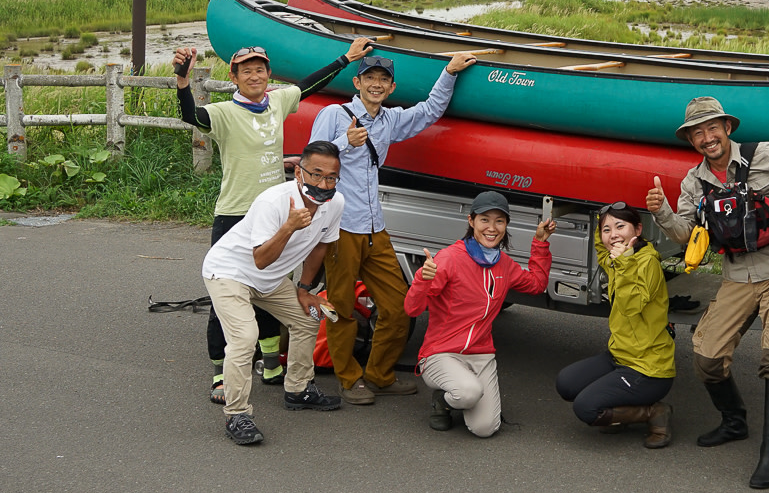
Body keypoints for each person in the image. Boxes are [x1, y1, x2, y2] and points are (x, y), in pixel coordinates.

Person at [174, 38, 371, 405]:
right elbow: (192, 117)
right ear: (233, 76)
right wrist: (183, 83)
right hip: (236, 211)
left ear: (268, 75)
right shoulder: (223, 112)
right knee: (228, 298)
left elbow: (309, 85)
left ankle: (271, 365)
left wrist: (346, 58)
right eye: (246, 70)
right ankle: (220, 374)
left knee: (273, 286)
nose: (254, 75)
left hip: (283, 207)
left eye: (260, 69)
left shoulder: (278, 101)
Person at [646, 96, 769, 489]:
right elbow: (686, 235)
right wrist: (662, 211)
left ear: (727, 128)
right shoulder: (693, 181)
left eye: (712, 127)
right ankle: (734, 422)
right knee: (707, 356)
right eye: (697, 132)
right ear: (691, 140)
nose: (707, 137)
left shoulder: (767, 156)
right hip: (735, 276)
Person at [308, 51, 477, 406]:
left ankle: (379, 375)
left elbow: (430, 110)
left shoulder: (390, 120)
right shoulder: (334, 115)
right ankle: (349, 379)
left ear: (391, 87)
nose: (376, 84)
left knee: (400, 306)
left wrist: (449, 71)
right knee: (340, 307)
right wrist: (344, 143)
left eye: (383, 80)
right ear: (357, 83)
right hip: (341, 228)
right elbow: (312, 158)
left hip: (375, 229)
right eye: (369, 77)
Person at [201, 140, 348, 444]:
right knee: (244, 337)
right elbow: (261, 258)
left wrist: (305, 288)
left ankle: (298, 389)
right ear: (298, 172)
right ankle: (237, 413)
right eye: (315, 174)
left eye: (331, 177)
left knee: (309, 317)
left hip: (269, 279)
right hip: (231, 272)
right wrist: (289, 227)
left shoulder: (336, 204)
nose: (323, 184)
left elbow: (321, 245)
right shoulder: (274, 202)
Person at [404, 191, 557, 438]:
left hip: (481, 355)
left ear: (506, 226)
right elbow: (412, 309)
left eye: (499, 221)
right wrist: (422, 278)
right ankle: (443, 401)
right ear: (471, 221)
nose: (492, 227)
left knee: (485, 429)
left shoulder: (504, 264)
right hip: (441, 353)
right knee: (468, 392)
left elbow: (536, 284)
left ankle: (460, 395)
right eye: (485, 219)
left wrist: (540, 242)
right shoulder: (449, 258)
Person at [555, 201, 675, 449]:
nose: (613, 235)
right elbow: (603, 250)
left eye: (621, 226)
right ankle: (622, 409)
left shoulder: (646, 263)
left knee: (586, 408)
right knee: (566, 384)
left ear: (638, 230)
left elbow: (631, 305)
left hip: (648, 368)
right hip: (619, 355)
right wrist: (602, 217)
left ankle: (654, 412)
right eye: (606, 230)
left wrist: (623, 262)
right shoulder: (616, 258)